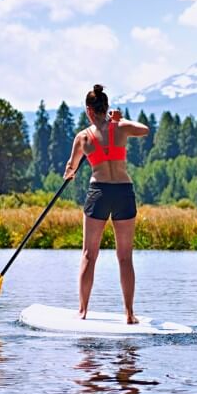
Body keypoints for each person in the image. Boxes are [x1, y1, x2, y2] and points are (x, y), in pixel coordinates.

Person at [64, 84, 150, 324]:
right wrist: (120, 120)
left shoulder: (83, 137)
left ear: (89, 110)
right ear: (107, 108)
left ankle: (82, 310)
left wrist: (68, 172)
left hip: (99, 192)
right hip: (123, 191)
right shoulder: (121, 128)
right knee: (125, 257)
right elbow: (145, 130)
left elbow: (71, 169)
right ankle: (129, 314)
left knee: (89, 255)